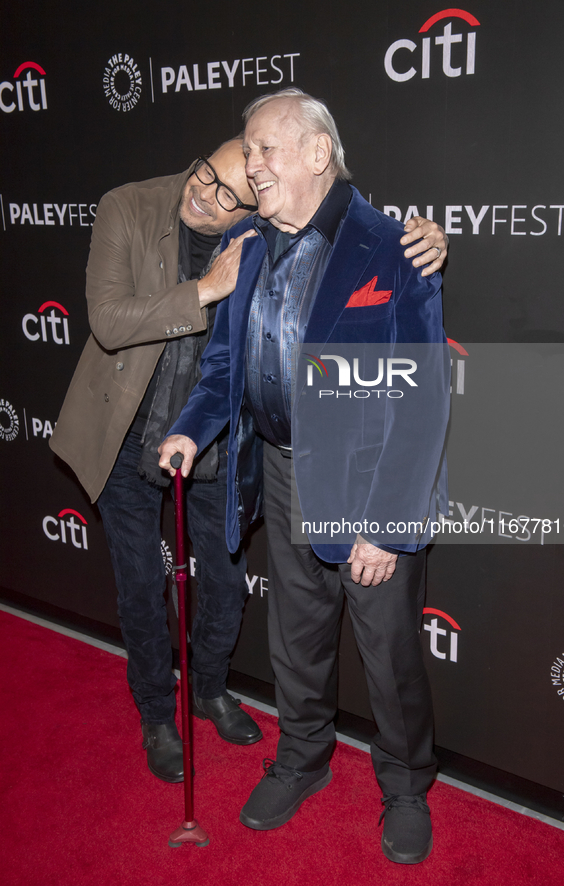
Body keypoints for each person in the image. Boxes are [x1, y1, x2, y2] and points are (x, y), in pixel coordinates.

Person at [51, 130, 446, 786]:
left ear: (253, 205)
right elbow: (115, 323)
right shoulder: (133, 206)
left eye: (229, 193)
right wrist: (204, 290)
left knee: (234, 588)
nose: (202, 197)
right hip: (128, 431)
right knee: (148, 587)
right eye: (204, 175)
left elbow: (411, 379)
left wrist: (425, 239)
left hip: (228, 449)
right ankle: (159, 712)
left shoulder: (269, 236)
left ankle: (210, 689)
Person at [159, 89, 449, 865]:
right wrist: (191, 429)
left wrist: (384, 522)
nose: (250, 165)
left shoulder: (393, 247)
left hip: (367, 485)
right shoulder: (250, 243)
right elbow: (224, 364)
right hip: (282, 475)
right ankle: (301, 760)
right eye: (247, 150)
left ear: (317, 154)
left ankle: (405, 787)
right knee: (297, 641)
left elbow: (420, 403)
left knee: (388, 656)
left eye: (263, 149)